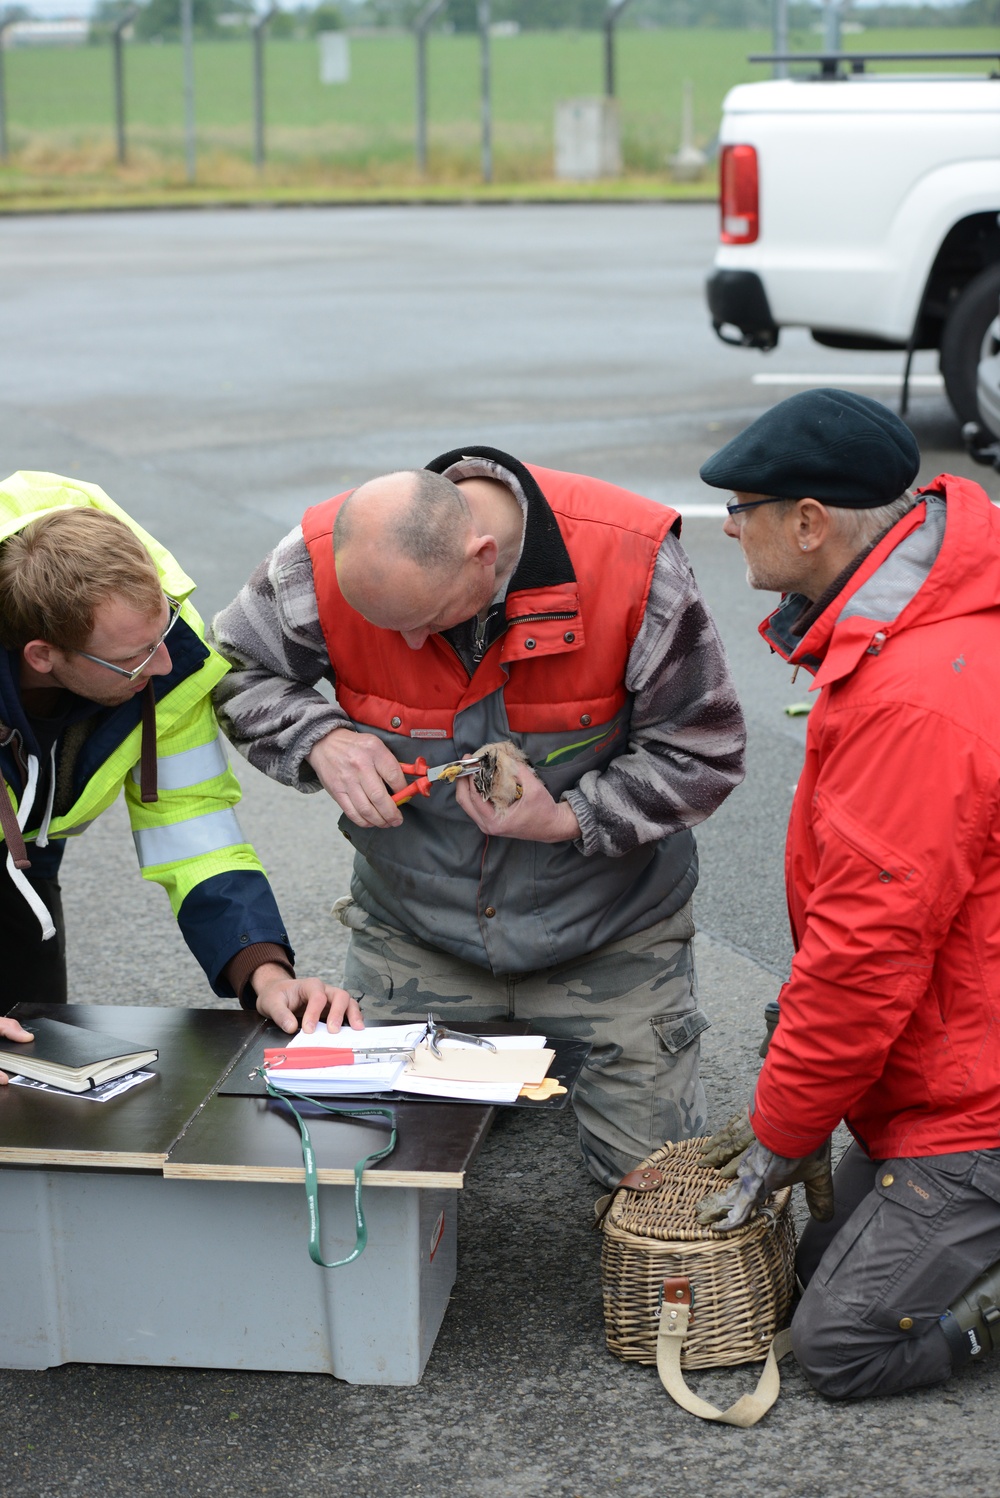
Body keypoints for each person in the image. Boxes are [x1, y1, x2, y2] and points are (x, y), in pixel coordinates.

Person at [209, 445, 746, 1188]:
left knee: (653, 1189)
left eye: (423, 620)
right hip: (418, 928)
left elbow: (704, 751)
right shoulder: (315, 560)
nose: (402, 647)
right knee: (365, 1168)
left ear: (483, 558)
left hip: (609, 930)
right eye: (379, 625)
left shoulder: (633, 564)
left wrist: (567, 818)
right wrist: (319, 736)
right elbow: (235, 669)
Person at [696, 387, 1000, 1400]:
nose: (731, 528)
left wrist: (781, 1137)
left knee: (837, 1344)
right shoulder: (919, 615)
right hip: (955, 1040)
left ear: (810, 522)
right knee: (815, 1270)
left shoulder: (913, 694)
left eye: (743, 507)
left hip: (978, 1094)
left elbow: (864, 955)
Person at [0, 470, 358, 1035]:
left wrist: (264, 970)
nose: (165, 666)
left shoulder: (163, 661)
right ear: (43, 656)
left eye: (161, 634)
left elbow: (194, 825)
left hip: (25, 849)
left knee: (33, 1054)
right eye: (136, 658)